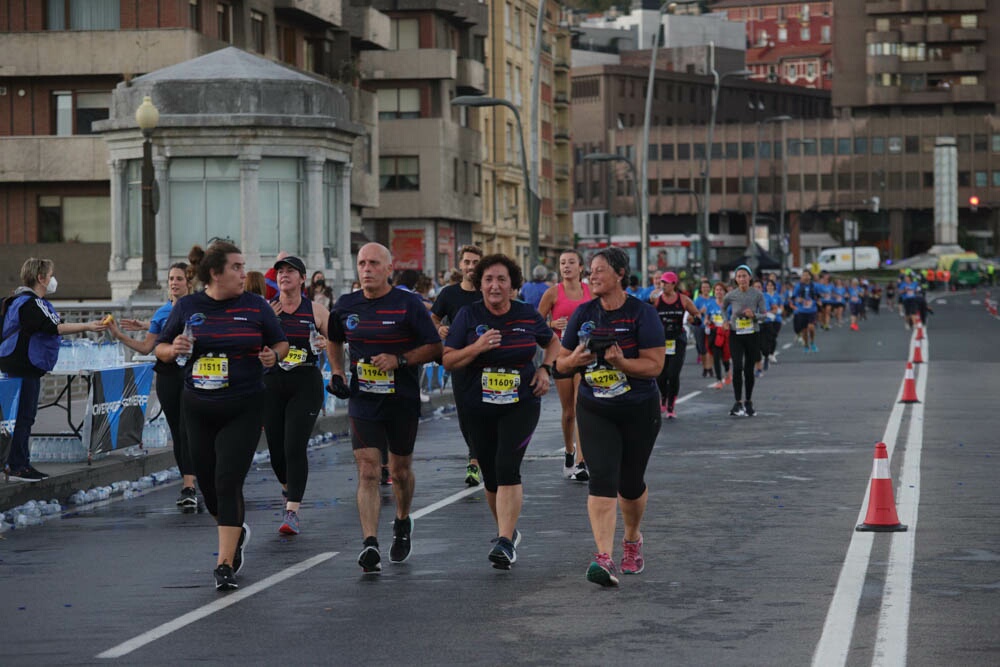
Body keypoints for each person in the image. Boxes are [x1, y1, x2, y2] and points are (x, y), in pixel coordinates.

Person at [155, 241, 289, 591]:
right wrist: (175, 348)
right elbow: (161, 347)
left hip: (243, 406)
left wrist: (272, 357)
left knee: (229, 481)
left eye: (244, 266)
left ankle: (224, 564)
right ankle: (236, 530)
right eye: (236, 267)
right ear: (214, 274)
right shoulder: (188, 306)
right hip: (198, 407)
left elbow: (281, 343)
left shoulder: (256, 306)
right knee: (210, 488)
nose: (243, 274)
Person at [327, 243, 442, 574]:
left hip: (401, 398)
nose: (366, 269)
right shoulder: (346, 305)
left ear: (388, 269)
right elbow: (334, 338)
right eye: (361, 263)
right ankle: (370, 543)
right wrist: (336, 370)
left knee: (400, 470)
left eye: (373, 263)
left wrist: (400, 359)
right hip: (363, 398)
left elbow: (435, 347)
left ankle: (403, 521)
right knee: (367, 470)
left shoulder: (408, 304)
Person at [554, 247, 664, 587]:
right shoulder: (583, 314)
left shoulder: (642, 314)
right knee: (601, 478)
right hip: (596, 408)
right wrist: (575, 362)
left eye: (599, 270)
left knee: (629, 485)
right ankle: (604, 556)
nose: (592, 275)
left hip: (638, 409)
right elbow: (559, 363)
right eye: (591, 270)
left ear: (619, 274)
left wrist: (621, 363)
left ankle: (632, 539)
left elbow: (655, 365)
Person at [442, 254, 559, 569]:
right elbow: (449, 360)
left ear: (513, 286)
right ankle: (506, 531)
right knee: (491, 475)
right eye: (488, 280)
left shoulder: (526, 314)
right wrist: (477, 347)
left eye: (501, 280)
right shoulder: (468, 315)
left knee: (507, 466)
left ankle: (505, 541)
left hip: (521, 402)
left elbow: (553, 342)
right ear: (479, 285)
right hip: (477, 405)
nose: (495, 286)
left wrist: (546, 369)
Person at [0, 258, 107, 482]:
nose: (53, 280)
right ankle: (19, 465)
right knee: (24, 417)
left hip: (11, 364)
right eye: (50, 275)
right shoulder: (32, 302)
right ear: (41, 278)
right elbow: (54, 327)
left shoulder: (13, 301)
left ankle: (13, 462)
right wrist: (87, 325)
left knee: (13, 417)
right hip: (25, 367)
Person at [108, 262, 197, 506]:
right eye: (171, 279)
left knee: (194, 430)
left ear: (189, 283)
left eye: (179, 279)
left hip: (194, 374)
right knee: (179, 432)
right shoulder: (161, 313)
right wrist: (119, 335)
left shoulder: (199, 309)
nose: (174, 283)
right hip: (169, 376)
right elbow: (147, 347)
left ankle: (206, 475)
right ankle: (188, 486)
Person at [264, 256, 330, 536]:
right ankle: (287, 488)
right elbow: (250, 344)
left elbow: (339, 342)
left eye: (290, 271)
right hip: (272, 383)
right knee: (276, 452)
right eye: (280, 272)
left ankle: (292, 511)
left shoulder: (315, 310)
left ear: (302, 279)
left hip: (305, 382)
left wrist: (328, 343)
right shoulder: (266, 310)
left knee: (294, 446)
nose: (284, 276)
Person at [431, 245, 485, 486]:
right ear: (460, 265)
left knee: (484, 411)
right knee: (465, 413)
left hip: (486, 361)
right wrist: (439, 329)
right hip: (459, 360)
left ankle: (476, 459)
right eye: (467, 262)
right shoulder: (448, 294)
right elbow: (432, 318)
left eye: (475, 262)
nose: (471, 267)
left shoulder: (488, 291)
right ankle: (475, 455)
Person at [537, 249, 591, 480]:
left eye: (571, 262)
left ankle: (581, 462)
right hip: (562, 358)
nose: (566, 266)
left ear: (581, 267)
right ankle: (570, 451)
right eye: (562, 263)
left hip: (586, 356)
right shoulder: (552, 293)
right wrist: (551, 324)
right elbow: (535, 324)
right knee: (568, 412)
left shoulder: (591, 292)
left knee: (581, 408)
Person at [652, 271, 700, 419]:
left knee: (673, 374)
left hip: (678, 340)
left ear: (674, 284)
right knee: (660, 375)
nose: (663, 285)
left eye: (666, 282)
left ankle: (671, 406)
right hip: (661, 341)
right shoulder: (657, 300)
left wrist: (694, 319)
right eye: (662, 282)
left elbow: (697, 316)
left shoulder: (683, 300)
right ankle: (664, 397)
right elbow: (647, 315)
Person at [722, 265, 766, 417]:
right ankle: (737, 402)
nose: (742, 279)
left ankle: (748, 401)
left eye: (744, 276)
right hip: (736, 334)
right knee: (737, 367)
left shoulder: (757, 294)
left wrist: (754, 315)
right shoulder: (731, 295)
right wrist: (725, 320)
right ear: (735, 279)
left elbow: (764, 315)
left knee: (748, 370)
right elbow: (723, 307)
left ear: (750, 278)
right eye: (739, 276)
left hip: (752, 334)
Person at [705, 282, 732, 389]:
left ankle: (727, 371)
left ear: (725, 292)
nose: (718, 292)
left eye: (721, 290)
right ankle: (718, 380)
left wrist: (728, 323)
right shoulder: (710, 304)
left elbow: (733, 318)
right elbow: (707, 317)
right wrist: (706, 321)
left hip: (726, 334)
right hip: (714, 333)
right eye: (716, 290)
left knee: (725, 357)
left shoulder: (729, 305)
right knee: (716, 356)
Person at [792, 270, 819, 352]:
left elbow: (818, 296)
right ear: (801, 277)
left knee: (811, 328)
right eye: (804, 275)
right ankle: (806, 345)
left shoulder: (814, 286)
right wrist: (798, 299)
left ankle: (812, 342)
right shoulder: (798, 286)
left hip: (812, 310)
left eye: (807, 275)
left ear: (810, 277)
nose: (805, 277)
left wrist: (816, 301)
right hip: (802, 311)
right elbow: (793, 297)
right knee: (804, 330)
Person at [692, 280, 714, 378]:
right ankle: (705, 367)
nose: (705, 289)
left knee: (711, 348)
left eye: (707, 287)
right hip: (699, 327)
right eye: (703, 287)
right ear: (701, 289)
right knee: (702, 349)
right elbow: (693, 314)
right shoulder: (697, 300)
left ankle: (710, 368)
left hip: (711, 326)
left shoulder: (713, 300)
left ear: (710, 289)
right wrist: (700, 311)